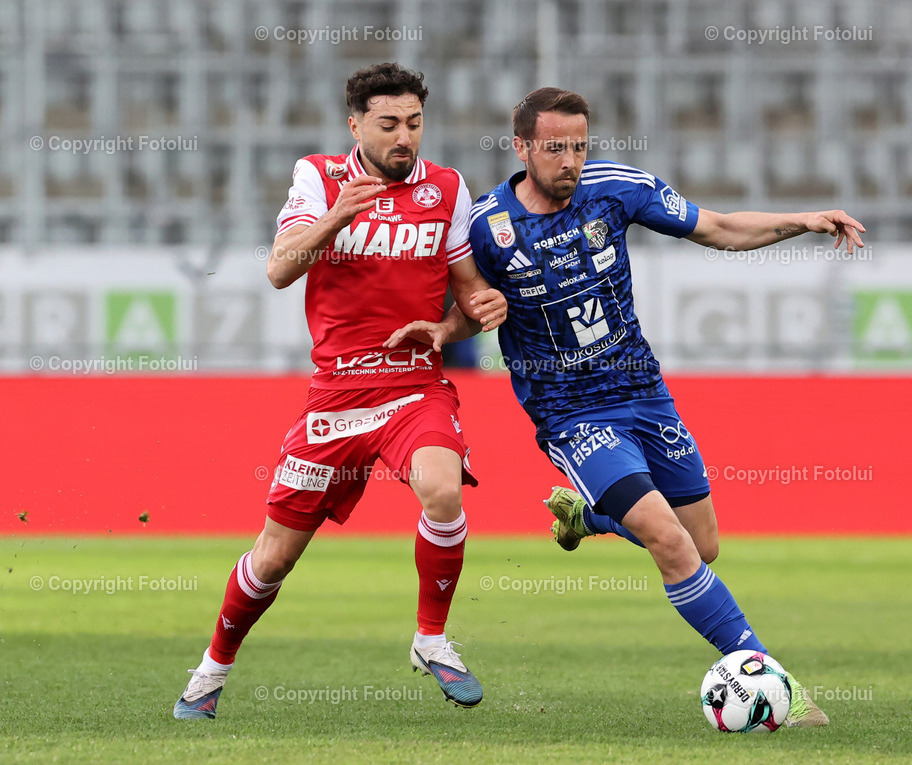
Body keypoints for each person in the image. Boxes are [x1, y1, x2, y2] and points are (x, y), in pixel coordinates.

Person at [390, 87, 864, 727]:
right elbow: (471, 310)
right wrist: (452, 330)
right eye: (555, 147)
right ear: (522, 146)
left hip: (644, 394)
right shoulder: (487, 228)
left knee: (704, 544)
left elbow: (717, 228)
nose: (570, 160)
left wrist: (800, 221)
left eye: (579, 146)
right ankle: (773, 683)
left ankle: (588, 519)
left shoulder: (616, 188)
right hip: (571, 412)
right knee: (669, 541)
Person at [172, 63, 507, 719]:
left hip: (414, 385)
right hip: (335, 399)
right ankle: (210, 670)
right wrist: (335, 217)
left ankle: (432, 639)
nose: (403, 136)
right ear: (355, 124)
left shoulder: (446, 188)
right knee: (273, 558)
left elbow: (469, 294)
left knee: (441, 487)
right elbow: (278, 269)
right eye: (388, 124)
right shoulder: (318, 177)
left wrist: (464, 317)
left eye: (413, 123)